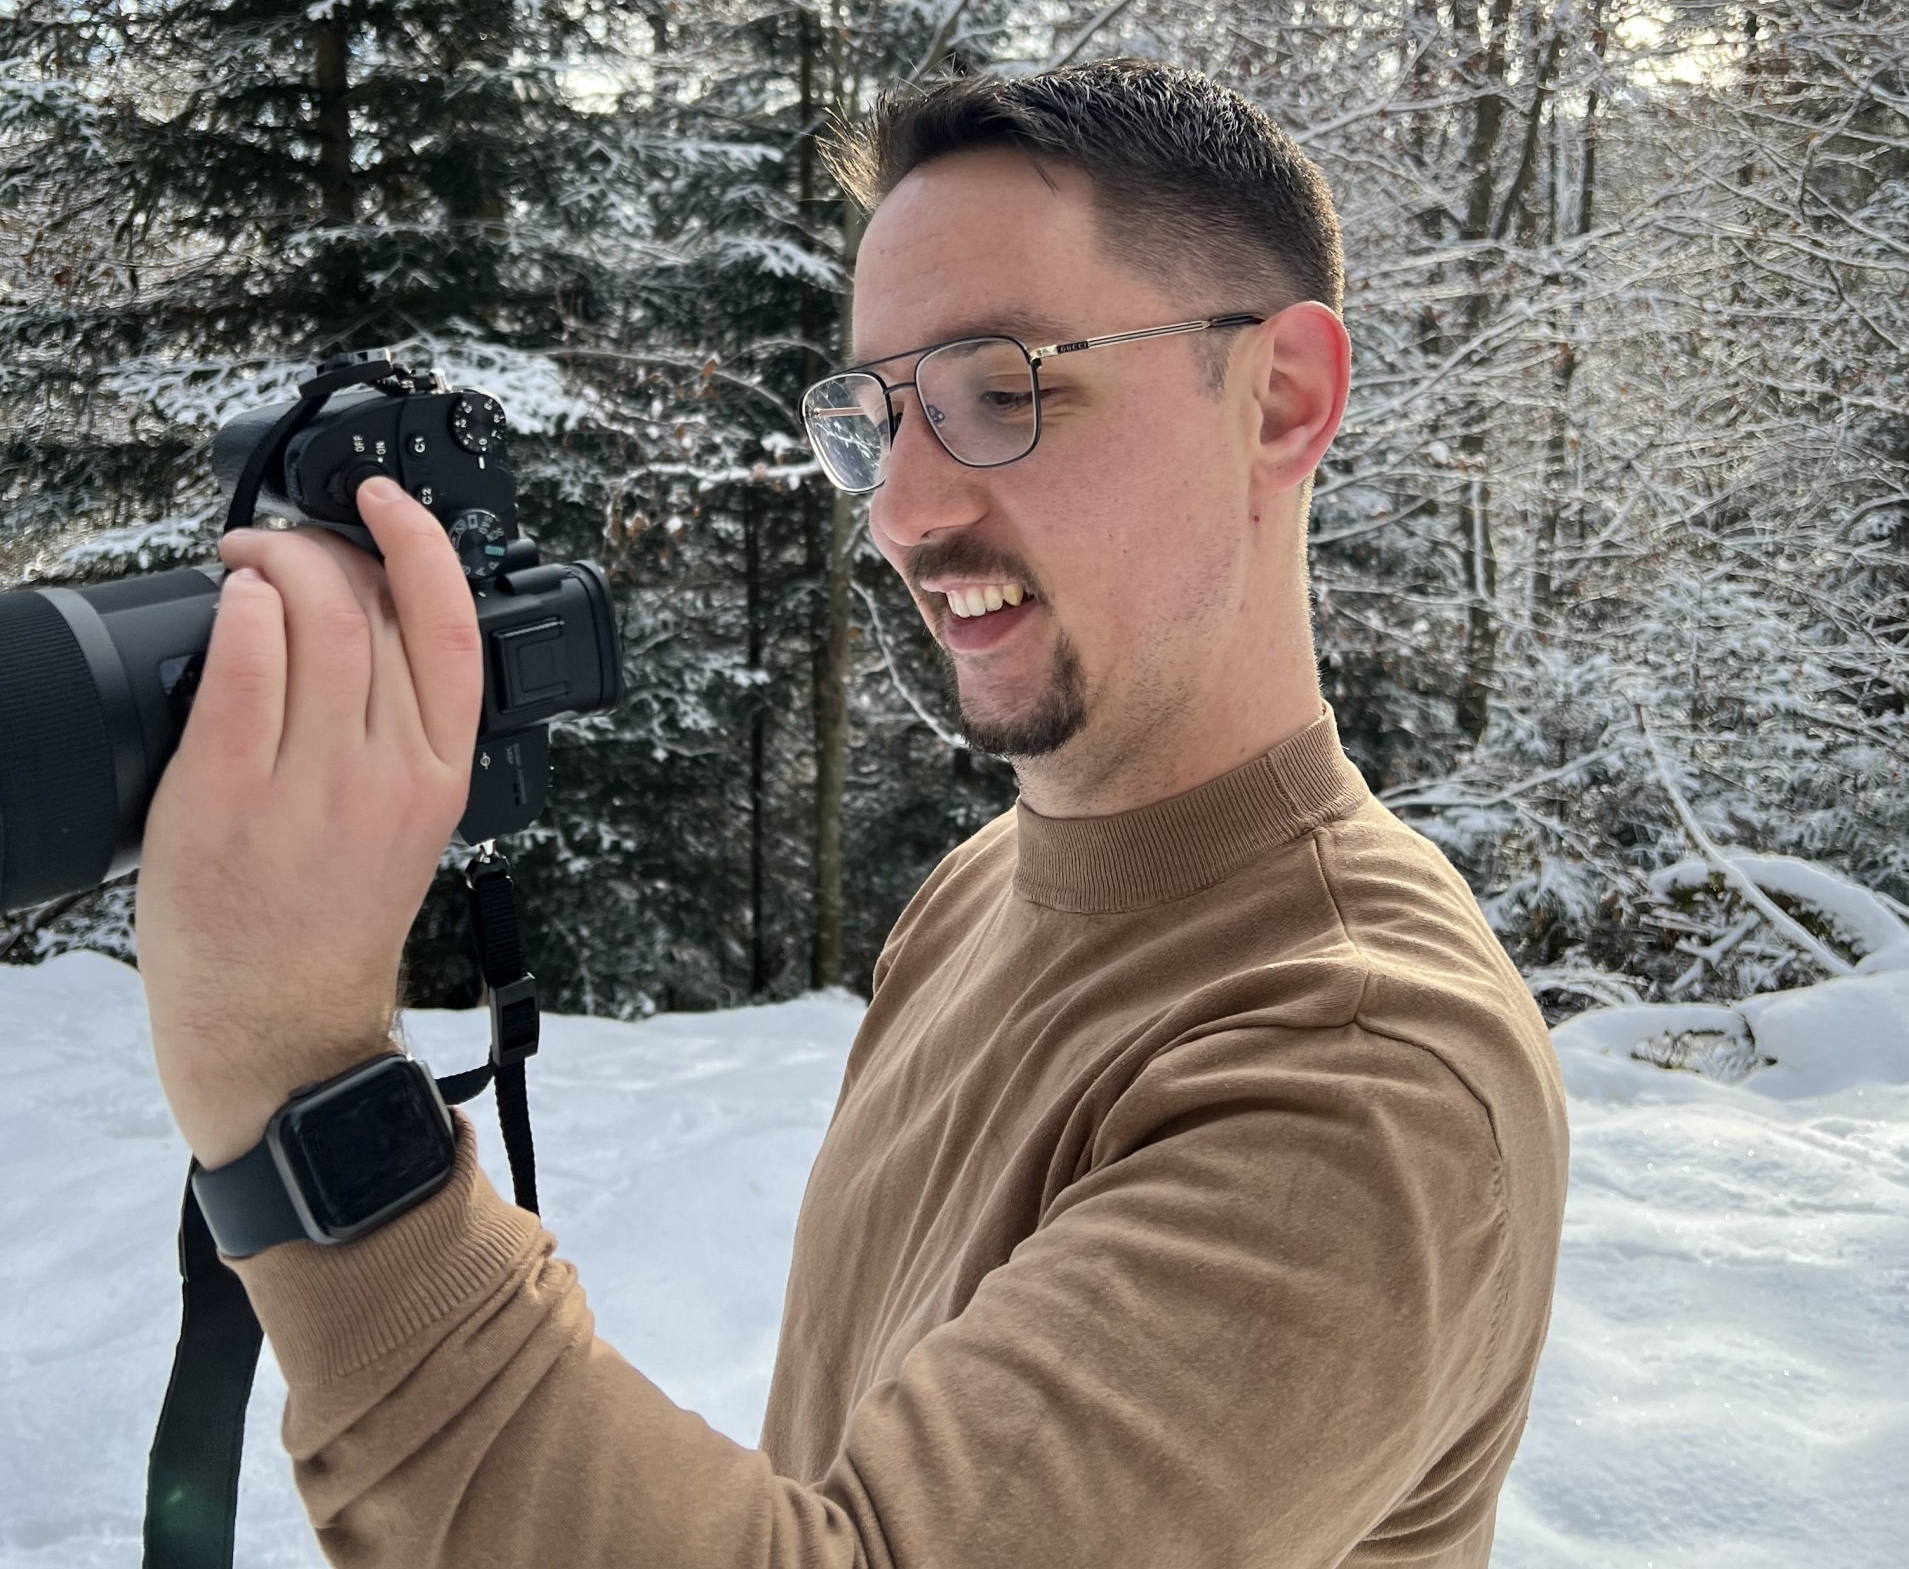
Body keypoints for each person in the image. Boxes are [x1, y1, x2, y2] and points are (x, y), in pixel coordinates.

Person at [136, 58, 1569, 1569]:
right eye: (878, 417)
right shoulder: (983, 890)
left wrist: (298, 1074)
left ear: (1280, 400)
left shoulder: (1365, 1082)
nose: (898, 511)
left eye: (1004, 390)